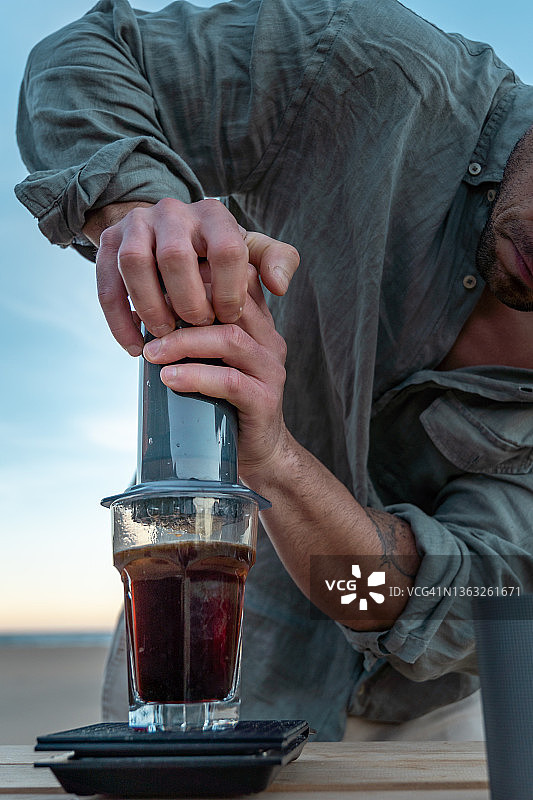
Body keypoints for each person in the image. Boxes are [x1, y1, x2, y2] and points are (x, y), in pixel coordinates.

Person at [15, 0, 533, 741]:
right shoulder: (364, 66)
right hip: (211, 659)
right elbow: (84, 58)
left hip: (423, 714)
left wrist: (278, 463)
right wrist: (140, 209)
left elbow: (430, 601)